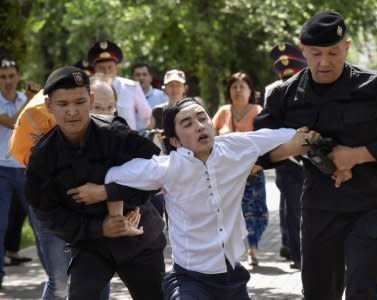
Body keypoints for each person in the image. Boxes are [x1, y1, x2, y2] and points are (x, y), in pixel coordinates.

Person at [72, 97, 319, 299]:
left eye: (202, 118)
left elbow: (288, 135)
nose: (200, 125)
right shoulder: (167, 168)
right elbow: (114, 174)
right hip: (191, 282)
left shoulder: (235, 146)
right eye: (187, 123)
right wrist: (116, 213)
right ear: (175, 141)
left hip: (234, 277)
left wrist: (317, 147)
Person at [254, 11, 377, 300]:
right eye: (315, 54)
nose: (324, 62)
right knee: (319, 292)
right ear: (303, 51)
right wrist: (295, 147)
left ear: (347, 47)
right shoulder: (286, 96)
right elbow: (260, 149)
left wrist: (356, 155)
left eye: (333, 52)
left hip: (370, 204)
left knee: (363, 290)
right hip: (320, 208)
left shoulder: (375, 87)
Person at [24, 66, 166, 300]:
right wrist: (100, 228)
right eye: (63, 104)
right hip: (91, 243)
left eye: (79, 102)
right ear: (49, 106)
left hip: (137, 235)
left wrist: (107, 192)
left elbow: (156, 172)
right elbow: (47, 212)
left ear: (90, 100)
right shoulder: (43, 157)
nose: (72, 111)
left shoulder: (116, 134)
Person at [10, 74, 121, 299]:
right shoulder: (51, 127)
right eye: (98, 107)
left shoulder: (111, 131)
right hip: (51, 206)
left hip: (90, 209)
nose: (104, 113)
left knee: (98, 274)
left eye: (110, 108)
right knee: (61, 283)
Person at [212, 72, 266, 266]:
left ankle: (253, 246)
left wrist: (258, 164)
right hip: (228, 173)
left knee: (258, 212)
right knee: (229, 212)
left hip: (253, 171)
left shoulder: (258, 111)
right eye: (234, 87)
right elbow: (211, 136)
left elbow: (265, 141)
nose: (238, 90)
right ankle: (231, 250)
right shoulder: (223, 111)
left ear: (250, 91)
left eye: (242, 86)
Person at [265, 42, 306, 269]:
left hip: (311, 159)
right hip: (286, 160)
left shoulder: (311, 86)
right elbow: (270, 126)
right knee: (292, 209)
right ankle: (297, 256)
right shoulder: (274, 90)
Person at [0, 57, 33, 290]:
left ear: (18, 77)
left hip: (25, 168)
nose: (8, 81)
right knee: (0, 224)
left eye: (12, 76)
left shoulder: (25, 99)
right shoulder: (25, 102)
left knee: (40, 221)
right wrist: (31, 101)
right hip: (1, 169)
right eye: (3, 77)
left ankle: (56, 274)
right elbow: (13, 123)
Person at [87, 40, 152, 131]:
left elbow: (148, 117)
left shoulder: (131, 87)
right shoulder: (88, 89)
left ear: (117, 68)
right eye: (101, 68)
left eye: (110, 67)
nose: (106, 71)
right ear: (95, 69)